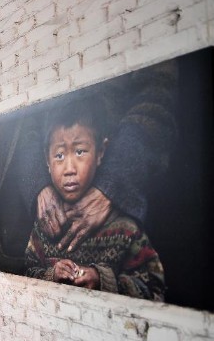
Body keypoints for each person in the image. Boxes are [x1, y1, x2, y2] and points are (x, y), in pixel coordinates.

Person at [24, 99, 166, 300]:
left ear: (100, 152)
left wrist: (102, 280)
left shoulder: (126, 229)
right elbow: (27, 274)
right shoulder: (45, 225)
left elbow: (155, 290)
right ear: (47, 161)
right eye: (59, 155)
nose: (69, 169)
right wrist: (52, 274)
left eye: (80, 151)